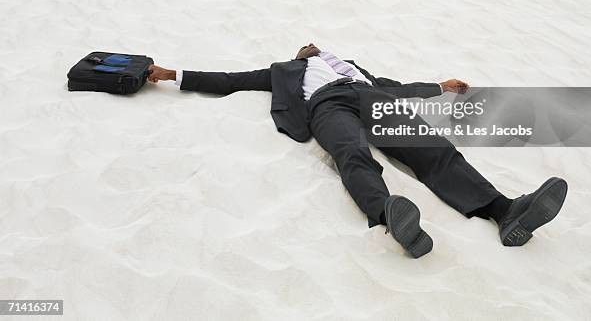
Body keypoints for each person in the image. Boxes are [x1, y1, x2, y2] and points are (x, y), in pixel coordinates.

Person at [147, 43, 568, 258]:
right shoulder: (283, 71)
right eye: (304, 44)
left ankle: (505, 210)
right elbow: (229, 79)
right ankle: (390, 215)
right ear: (298, 54)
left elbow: (401, 88)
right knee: (351, 153)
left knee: (433, 150)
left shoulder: (355, 68)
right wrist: (172, 74)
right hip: (326, 106)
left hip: (368, 97)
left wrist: (442, 86)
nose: (311, 43)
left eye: (315, 41)